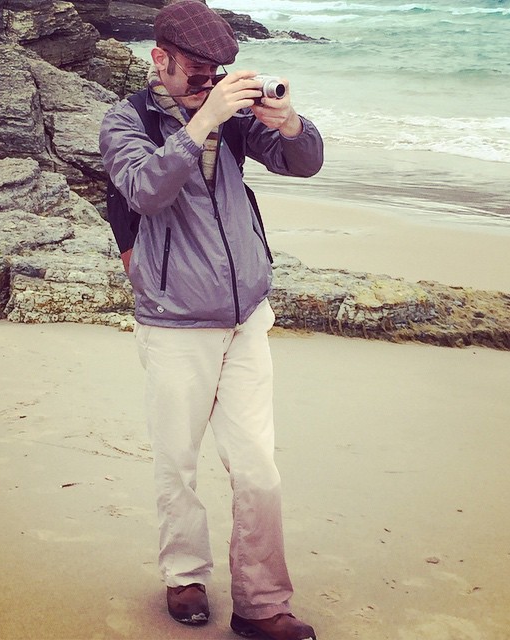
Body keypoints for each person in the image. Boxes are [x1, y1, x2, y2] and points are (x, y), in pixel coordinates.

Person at [99, 1, 323, 639]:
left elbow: (302, 163)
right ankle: (185, 576)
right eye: (195, 73)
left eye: (216, 74)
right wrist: (201, 122)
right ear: (159, 61)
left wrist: (287, 122)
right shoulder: (126, 119)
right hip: (174, 321)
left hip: (247, 316)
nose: (207, 84)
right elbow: (142, 188)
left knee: (258, 465)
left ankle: (262, 604)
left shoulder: (231, 117)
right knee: (178, 460)